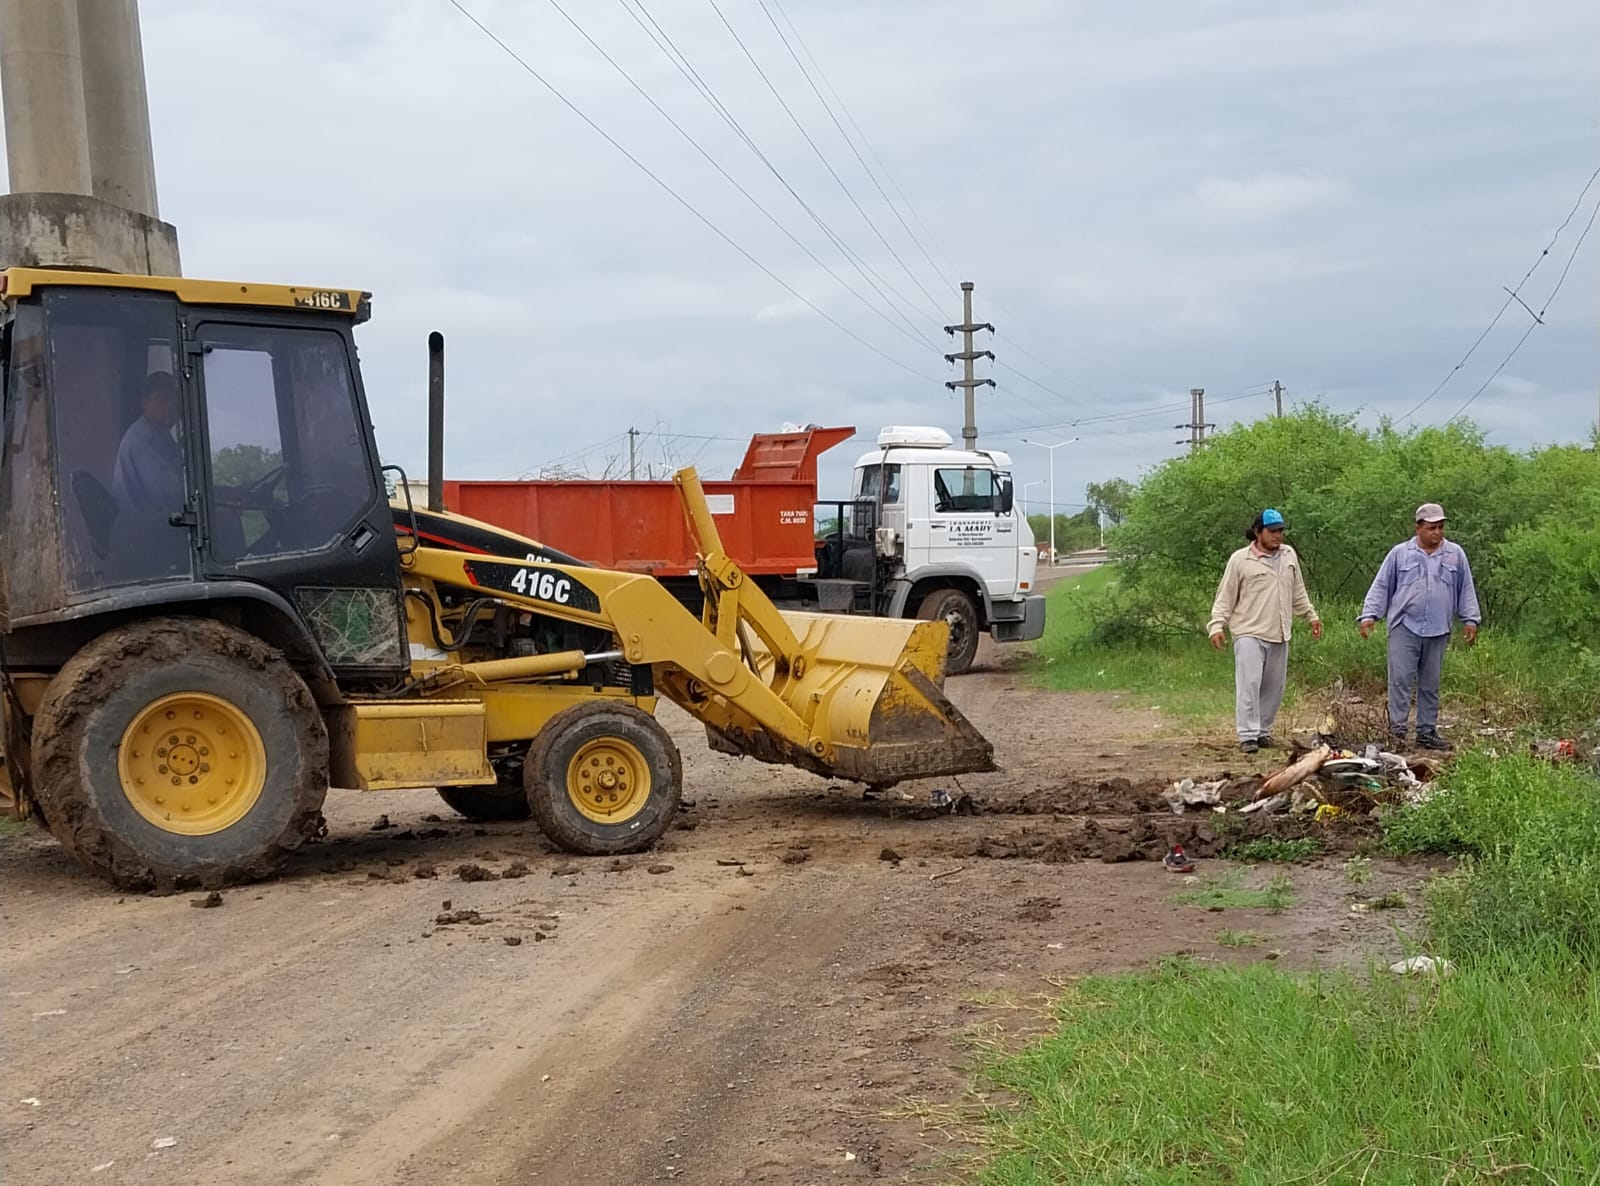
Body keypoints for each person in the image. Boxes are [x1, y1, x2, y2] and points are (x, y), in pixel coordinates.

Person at [1358, 502, 1480, 750]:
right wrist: (1369, 615)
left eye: (1441, 527)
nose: (1437, 532)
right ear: (1418, 528)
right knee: (1400, 680)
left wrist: (1470, 619)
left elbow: (1465, 587)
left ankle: (1426, 732)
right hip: (1405, 626)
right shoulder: (1400, 554)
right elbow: (1382, 585)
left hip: (1439, 628)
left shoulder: (1455, 554)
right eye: (1432, 528)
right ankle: (1397, 733)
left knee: (1430, 683)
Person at [1207, 509, 1322, 753]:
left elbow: (1297, 591)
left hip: (1279, 631)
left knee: (1274, 686)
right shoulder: (1241, 560)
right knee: (1249, 683)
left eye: (1280, 531)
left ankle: (1263, 731)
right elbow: (1225, 597)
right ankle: (1247, 735)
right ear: (1258, 532)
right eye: (1272, 531)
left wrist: (1310, 615)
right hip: (1249, 631)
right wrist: (1217, 625)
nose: (1277, 536)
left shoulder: (1289, 555)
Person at [111, 371, 185, 512]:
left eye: (174, 399)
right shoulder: (143, 439)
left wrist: (225, 493)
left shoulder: (159, 435)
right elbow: (168, 494)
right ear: (145, 403)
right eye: (162, 399)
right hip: (144, 526)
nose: (170, 405)